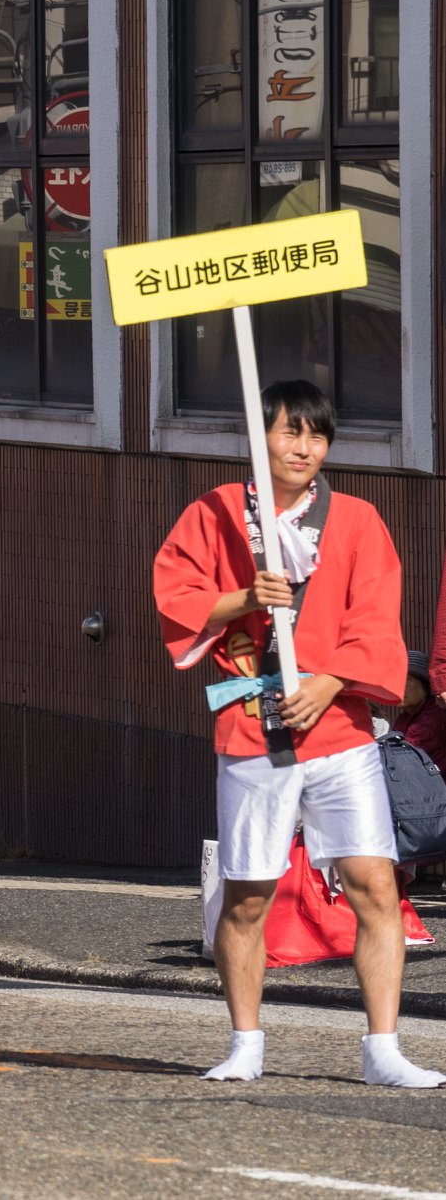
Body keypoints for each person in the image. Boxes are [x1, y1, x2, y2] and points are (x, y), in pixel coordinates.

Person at [152, 379, 440, 1087]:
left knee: (373, 883)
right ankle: (244, 1042)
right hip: (254, 730)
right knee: (248, 892)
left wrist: (331, 682)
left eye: (315, 436)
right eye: (288, 432)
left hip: (338, 729)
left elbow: (375, 619)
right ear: (259, 439)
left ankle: (382, 1049)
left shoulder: (357, 519)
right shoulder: (213, 513)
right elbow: (176, 599)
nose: (302, 447)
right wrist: (247, 598)